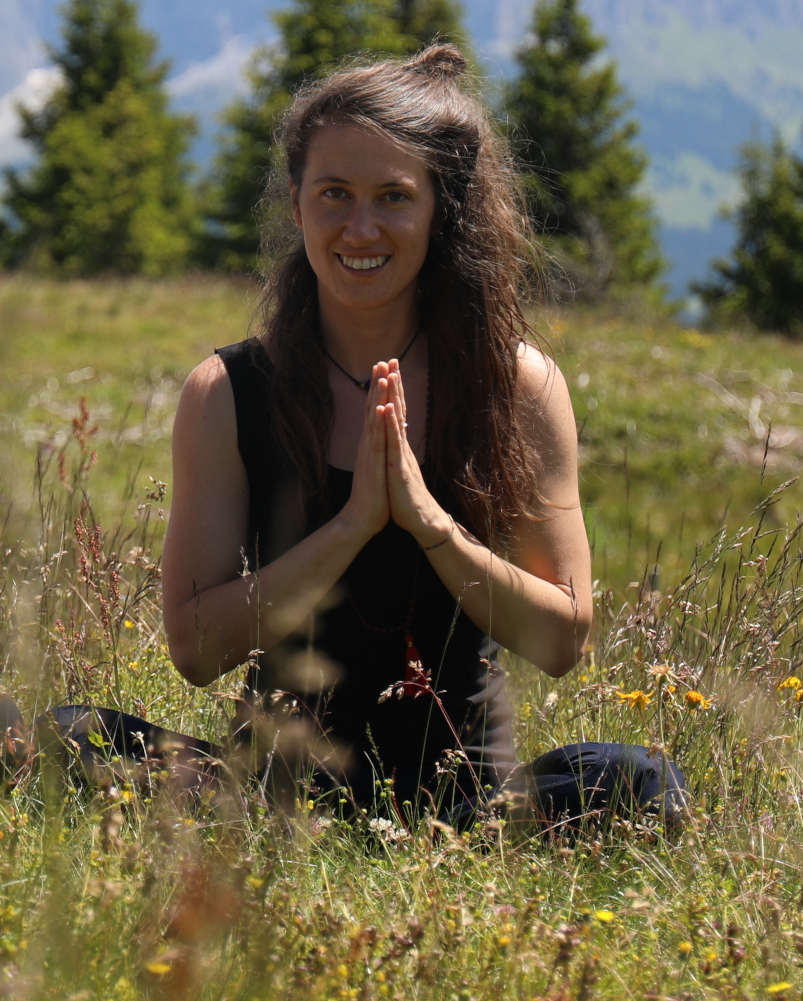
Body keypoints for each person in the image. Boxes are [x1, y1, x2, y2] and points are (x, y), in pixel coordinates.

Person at [28, 44, 686, 829]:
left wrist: (426, 521)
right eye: (334, 193)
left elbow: (561, 640)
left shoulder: (516, 386)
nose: (360, 226)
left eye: (394, 197)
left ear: (442, 209)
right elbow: (196, 650)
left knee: (643, 783)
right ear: (298, 204)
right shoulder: (228, 393)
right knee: (54, 735)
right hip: (269, 794)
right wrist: (347, 529)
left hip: (467, 807)